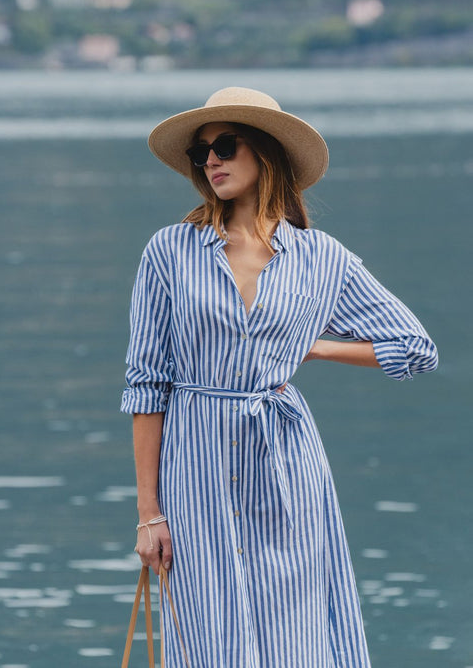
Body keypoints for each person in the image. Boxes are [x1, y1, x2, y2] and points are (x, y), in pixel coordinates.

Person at [120, 87, 438, 667]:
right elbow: (147, 384)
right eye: (201, 154)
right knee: (206, 634)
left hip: (287, 468)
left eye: (224, 145)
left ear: (267, 153)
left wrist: (314, 347)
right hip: (194, 470)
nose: (210, 160)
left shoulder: (323, 259)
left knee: (296, 632)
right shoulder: (169, 251)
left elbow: (416, 349)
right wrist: (149, 512)